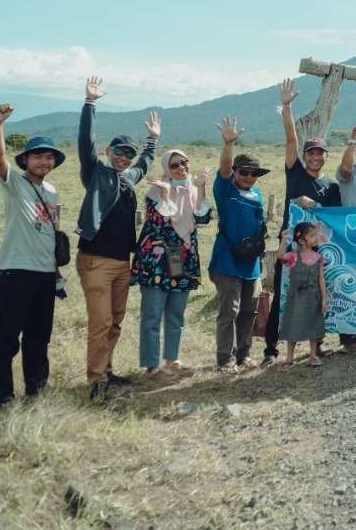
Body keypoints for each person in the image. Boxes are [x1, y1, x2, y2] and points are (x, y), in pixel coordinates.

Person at [76, 76, 159, 400]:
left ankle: (107, 371)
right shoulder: (95, 173)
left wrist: (153, 141)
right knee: (101, 322)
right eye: (119, 152)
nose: (124, 157)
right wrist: (90, 103)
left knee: (115, 322)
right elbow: (85, 141)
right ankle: (96, 381)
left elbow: (145, 163)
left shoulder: (128, 177)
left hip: (122, 263)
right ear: (108, 151)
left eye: (128, 153)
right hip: (95, 260)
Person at [0, 105, 65, 408]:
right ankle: (2, 397)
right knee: (7, 338)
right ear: (26, 160)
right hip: (15, 271)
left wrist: (56, 272)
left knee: (38, 336)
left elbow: (49, 232)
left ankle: (36, 390)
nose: (44, 161)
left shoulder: (52, 191)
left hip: (45, 274)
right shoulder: (15, 184)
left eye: (49, 157)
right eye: (38, 156)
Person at [266, 78, 343, 364]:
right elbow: (290, 139)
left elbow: (334, 219)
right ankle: (272, 350)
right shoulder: (294, 174)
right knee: (282, 295)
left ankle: (316, 345)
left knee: (316, 296)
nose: (314, 157)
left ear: (325, 156)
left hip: (317, 251)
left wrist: (317, 205)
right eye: (310, 152)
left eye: (319, 153)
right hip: (291, 247)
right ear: (304, 156)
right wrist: (287, 108)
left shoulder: (331, 186)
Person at [133, 150, 211, 377]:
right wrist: (166, 195)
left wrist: (202, 187)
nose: (181, 168)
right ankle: (151, 364)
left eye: (184, 162)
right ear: (167, 168)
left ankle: (171, 358)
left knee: (176, 313)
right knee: (152, 313)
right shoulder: (155, 191)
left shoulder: (193, 190)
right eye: (174, 165)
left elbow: (203, 218)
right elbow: (160, 224)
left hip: (183, 260)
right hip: (156, 261)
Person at [209, 116, 268, 374]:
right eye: (243, 171)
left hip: (251, 263)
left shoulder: (257, 195)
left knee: (248, 311)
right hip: (227, 261)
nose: (248, 176)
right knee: (229, 312)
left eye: (253, 173)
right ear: (235, 172)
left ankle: (243, 355)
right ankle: (225, 359)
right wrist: (228, 144)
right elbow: (223, 169)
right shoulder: (225, 190)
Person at [278, 222, 330, 367]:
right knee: (293, 323)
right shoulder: (293, 256)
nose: (315, 238)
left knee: (313, 324)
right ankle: (289, 357)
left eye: (315, 235)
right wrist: (283, 239)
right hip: (296, 298)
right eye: (312, 235)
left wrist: (324, 298)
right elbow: (280, 256)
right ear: (301, 241)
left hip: (314, 297)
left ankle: (313, 355)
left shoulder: (318, 257)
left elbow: (321, 278)